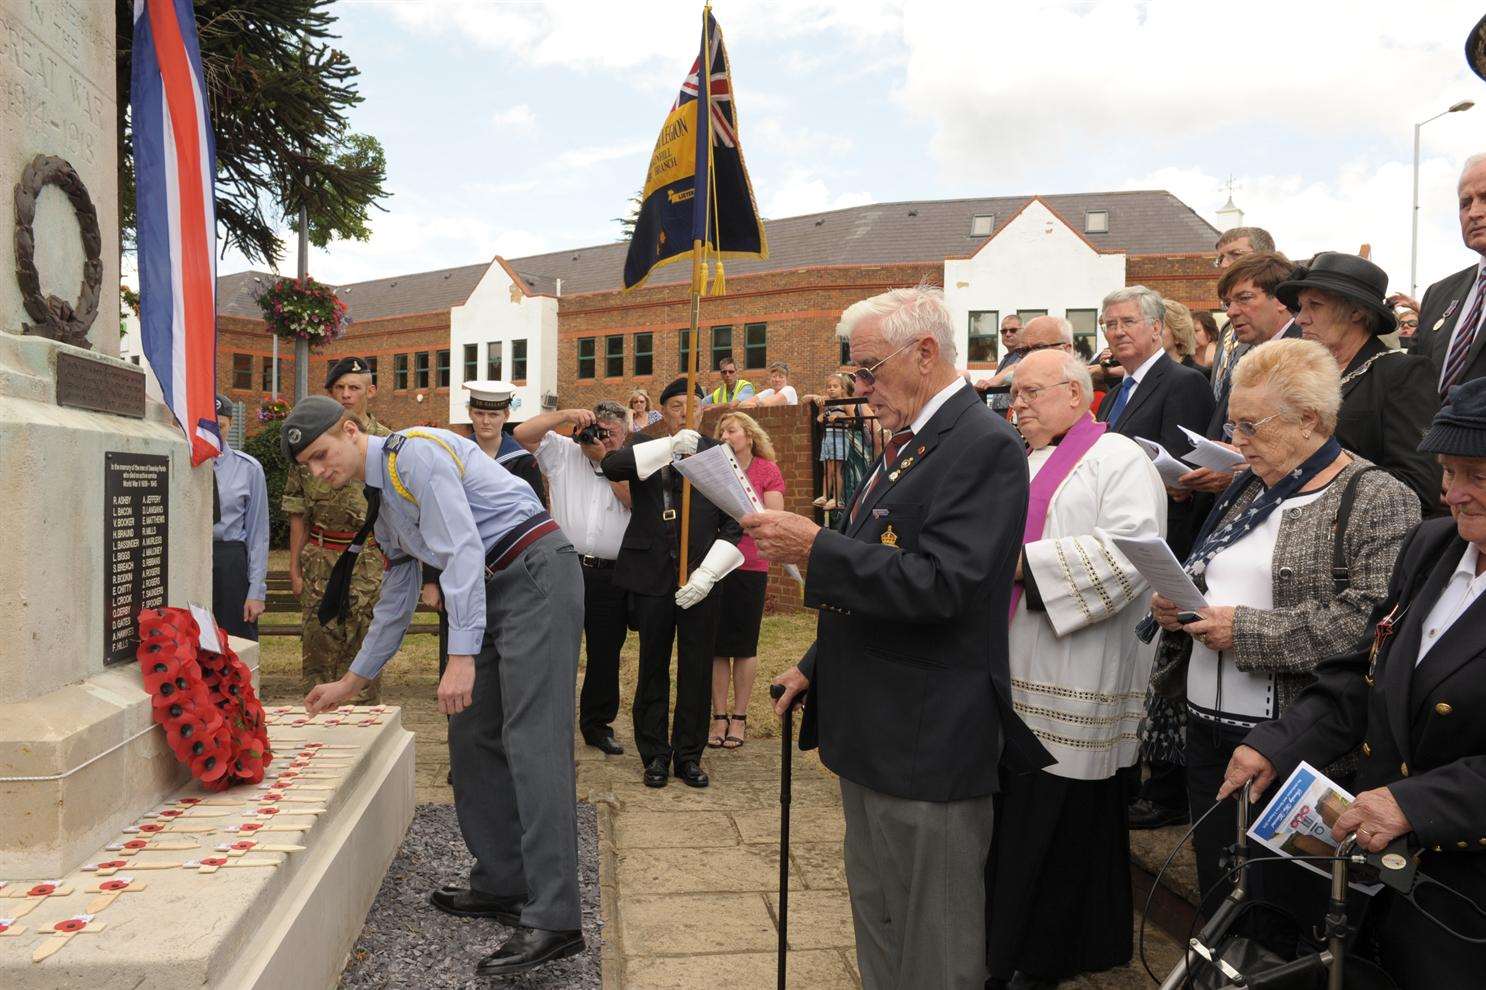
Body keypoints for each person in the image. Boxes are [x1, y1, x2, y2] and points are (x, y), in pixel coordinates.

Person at [747, 285, 1051, 989]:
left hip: (928, 738)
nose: (860, 387)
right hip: (874, 727)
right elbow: (879, 564)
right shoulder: (909, 442)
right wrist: (814, 663)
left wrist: (816, 547)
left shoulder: (982, 444)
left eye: (868, 370)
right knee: (880, 917)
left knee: (935, 939)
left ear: (924, 352)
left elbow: (946, 584)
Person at [287, 395, 585, 978]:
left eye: (323, 455)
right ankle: (502, 881)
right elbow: (398, 595)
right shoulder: (384, 500)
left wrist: (461, 655)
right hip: (489, 589)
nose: (320, 471)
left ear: (351, 431)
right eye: (310, 467)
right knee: (471, 738)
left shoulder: (414, 454)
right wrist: (352, 680)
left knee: (533, 743)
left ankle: (554, 919)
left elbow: (463, 549)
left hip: (533, 574)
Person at [1145, 338, 1418, 937]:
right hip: (1206, 723)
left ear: (1310, 421)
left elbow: (1369, 625)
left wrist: (1242, 630)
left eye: (1249, 425)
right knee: (1220, 894)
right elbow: (1216, 570)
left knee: (1282, 910)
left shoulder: (1374, 497)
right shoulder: (1250, 483)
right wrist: (1180, 605)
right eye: (1232, 423)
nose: (1235, 441)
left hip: (1294, 742)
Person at [1219, 377, 1486, 988]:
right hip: (1388, 874)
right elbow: (1365, 675)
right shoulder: (1433, 544)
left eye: (1477, 475)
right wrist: (1278, 743)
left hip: (1467, 890)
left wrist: (1415, 802)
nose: (1455, 494)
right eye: (1448, 472)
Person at [986, 350, 1167, 987]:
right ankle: (1007, 945)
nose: (1019, 404)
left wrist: (1015, 565)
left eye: (1032, 391)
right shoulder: (1017, 458)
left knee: (1061, 820)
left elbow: (1129, 552)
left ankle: (1048, 954)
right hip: (1014, 659)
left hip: (1074, 669)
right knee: (1015, 819)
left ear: (1076, 393)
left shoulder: (1118, 458)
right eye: (1014, 393)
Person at [602, 377, 745, 790]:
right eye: (678, 405)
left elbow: (736, 519)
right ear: (664, 410)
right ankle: (655, 755)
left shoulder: (717, 452)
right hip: (652, 574)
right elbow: (612, 466)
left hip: (700, 575)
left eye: (694, 405)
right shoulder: (645, 443)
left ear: (703, 410)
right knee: (652, 667)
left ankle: (688, 755)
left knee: (697, 667)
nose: (686, 412)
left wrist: (708, 573)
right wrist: (667, 448)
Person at [1278, 252, 1442, 513]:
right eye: (1301, 306)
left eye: (1315, 305)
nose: (1300, 319)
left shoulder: (1402, 374)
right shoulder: (1305, 375)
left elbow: (1418, 486)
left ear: (1356, 311)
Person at [514, 401, 633, 756]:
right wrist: (568, 416)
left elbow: (634, 503)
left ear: (624, 435)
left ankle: (597, 725)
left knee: (605, 653)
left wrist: (604, 461)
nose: (603, 438)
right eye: (599, 430)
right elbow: (522, 433)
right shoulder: (565, 452)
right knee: (555, 648)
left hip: (612, 574)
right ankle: (549, 722)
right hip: (566, 566)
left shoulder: (632, 462)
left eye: (611, 434)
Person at [283, 356, 391, 703]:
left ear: (370, 391)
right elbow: (298, 511)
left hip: (369, 561)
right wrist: (295, 566)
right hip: (321, 558)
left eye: (354, 387)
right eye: (339, 388)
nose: (346, 394)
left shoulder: (386, 443)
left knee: (365, 647)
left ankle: (364, 726)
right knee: (318, 649)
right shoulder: (310, 446)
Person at [1095, 286, 1216, 559]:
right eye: (1110, 324)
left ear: (1156, 328)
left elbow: (1183, 470)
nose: (1117, 331)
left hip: (1160, 539)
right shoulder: (1112, 396)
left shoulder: (1184, 382)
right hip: (1111, 534)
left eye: (1128, 322)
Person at [708, 412, 785, 749]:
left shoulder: (766, 470)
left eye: (732, 430)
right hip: (715, 563)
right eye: (721, 431)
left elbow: (774, 520)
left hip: (750, 565)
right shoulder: (713, 472)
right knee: (716, 645)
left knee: (743, 645)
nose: (726, 435)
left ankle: (739, 717)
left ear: (750, 436)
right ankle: (719, 716)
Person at [1407, 155, 1486, 398]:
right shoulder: (1439, 294)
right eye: (1465, 203)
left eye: (1485, 198)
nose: (1474, 212)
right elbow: (1412, 382)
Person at [211, 394, 268, 641]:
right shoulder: (180, 462)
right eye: (207, 426)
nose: (214, 433)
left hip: (230, 561)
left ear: (231, 425)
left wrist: (256, 591)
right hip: (191, 556)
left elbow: (258, 535)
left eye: (220, 426)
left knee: (235, 641)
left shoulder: (249, 469)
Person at [1210, 227, 1279, 400]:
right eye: (1221, 258)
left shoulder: (1292, 323)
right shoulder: (1227, 328)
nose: (1225, 264)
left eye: (1235, 254)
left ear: (1265, 257)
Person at [462, 379, 546, 504]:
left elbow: (537, 512)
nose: (485, 421)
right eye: (479, 413)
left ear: (506, 415)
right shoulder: (457, 455)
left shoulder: (524, 462)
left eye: (493, 415)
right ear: (470, 413)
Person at [812, 373, 853, 510]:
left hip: (840, 437)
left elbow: (853, 420)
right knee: (827, 470)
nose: (831, 389)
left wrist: (840, 416)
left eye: (835, 386)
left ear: (842, 389)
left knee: (836, 469)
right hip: (828, 438)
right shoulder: (826, 403)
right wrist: (822, 415)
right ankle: (824, 496)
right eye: (829, 387)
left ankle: (836, 498)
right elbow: (820, 417)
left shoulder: (844, 403)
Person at [1162, 298, 1205, 374]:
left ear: (1178, 334)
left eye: (1162, 326)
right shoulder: (1147, 373)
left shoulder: (1199, 375)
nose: (1154, 332)